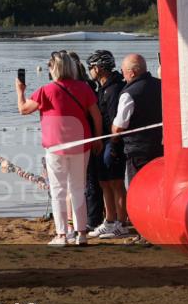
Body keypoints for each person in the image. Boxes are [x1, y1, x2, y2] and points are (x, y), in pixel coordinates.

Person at [16, 51, 102, 247]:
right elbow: (96, 115)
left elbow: (23, 109)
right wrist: (98, 139)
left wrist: (19, 90)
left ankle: (62, 234)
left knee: (58, 191)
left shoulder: (45, 90)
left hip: (56, 147)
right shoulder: (83, 88)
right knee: (78, 189)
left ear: (53, 69)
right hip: (82, 145)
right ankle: (81, 233)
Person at [86, 50, 131, 239]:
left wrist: (112, 146)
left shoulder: (113, 89)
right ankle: (110, 220)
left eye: (91, 68)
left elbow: (114, 120)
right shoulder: (103, 87)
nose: (90, 71)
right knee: (104, 182)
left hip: (113, 142)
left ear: (98, 68)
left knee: (116, 182)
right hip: (102, 142)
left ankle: (122, 222)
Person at [111, 54, 163, 184]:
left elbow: (118, 127)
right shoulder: (161, 85)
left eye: (123, 71)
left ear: (132, 73)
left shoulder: (129, 94)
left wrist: (113, 137)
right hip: (160, 148)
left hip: (137, 152)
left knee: (138, 186)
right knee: (156, 185)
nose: (122, 75)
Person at [69, 51, 104, 230]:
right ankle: (89, 216)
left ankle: (92, 218)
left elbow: (93, 114)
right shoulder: (87, 85)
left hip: (85, 137)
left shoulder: (83, 87)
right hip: (85, 135)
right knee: (86, 180)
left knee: (89, 180)